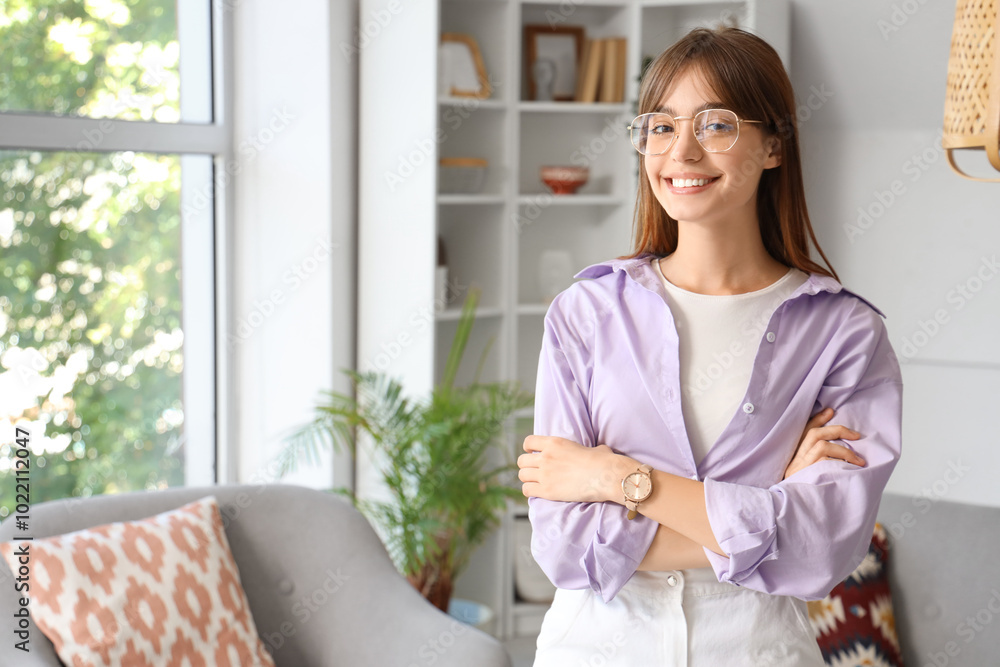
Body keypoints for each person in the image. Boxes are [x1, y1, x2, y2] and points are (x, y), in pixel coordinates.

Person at [516, 27, 903, 667]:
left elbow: (822, 552)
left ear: (773, 144)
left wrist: (616, 479)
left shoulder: (844, 333)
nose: (682, 152)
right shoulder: (585, 313)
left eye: (716, 125)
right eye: (661, 127)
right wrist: (770, 503)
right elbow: (563, 546)